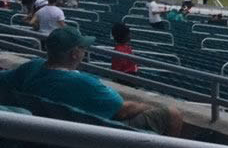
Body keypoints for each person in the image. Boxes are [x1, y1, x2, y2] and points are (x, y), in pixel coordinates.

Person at [0, 26, 180, 133]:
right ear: (75, 53)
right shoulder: (85, 83)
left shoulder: (32, 66)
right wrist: (150, 106)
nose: (85, 50)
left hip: (46, 129)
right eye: (83, 47)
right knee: (173, 114)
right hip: (95, 137)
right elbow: (123, 110)